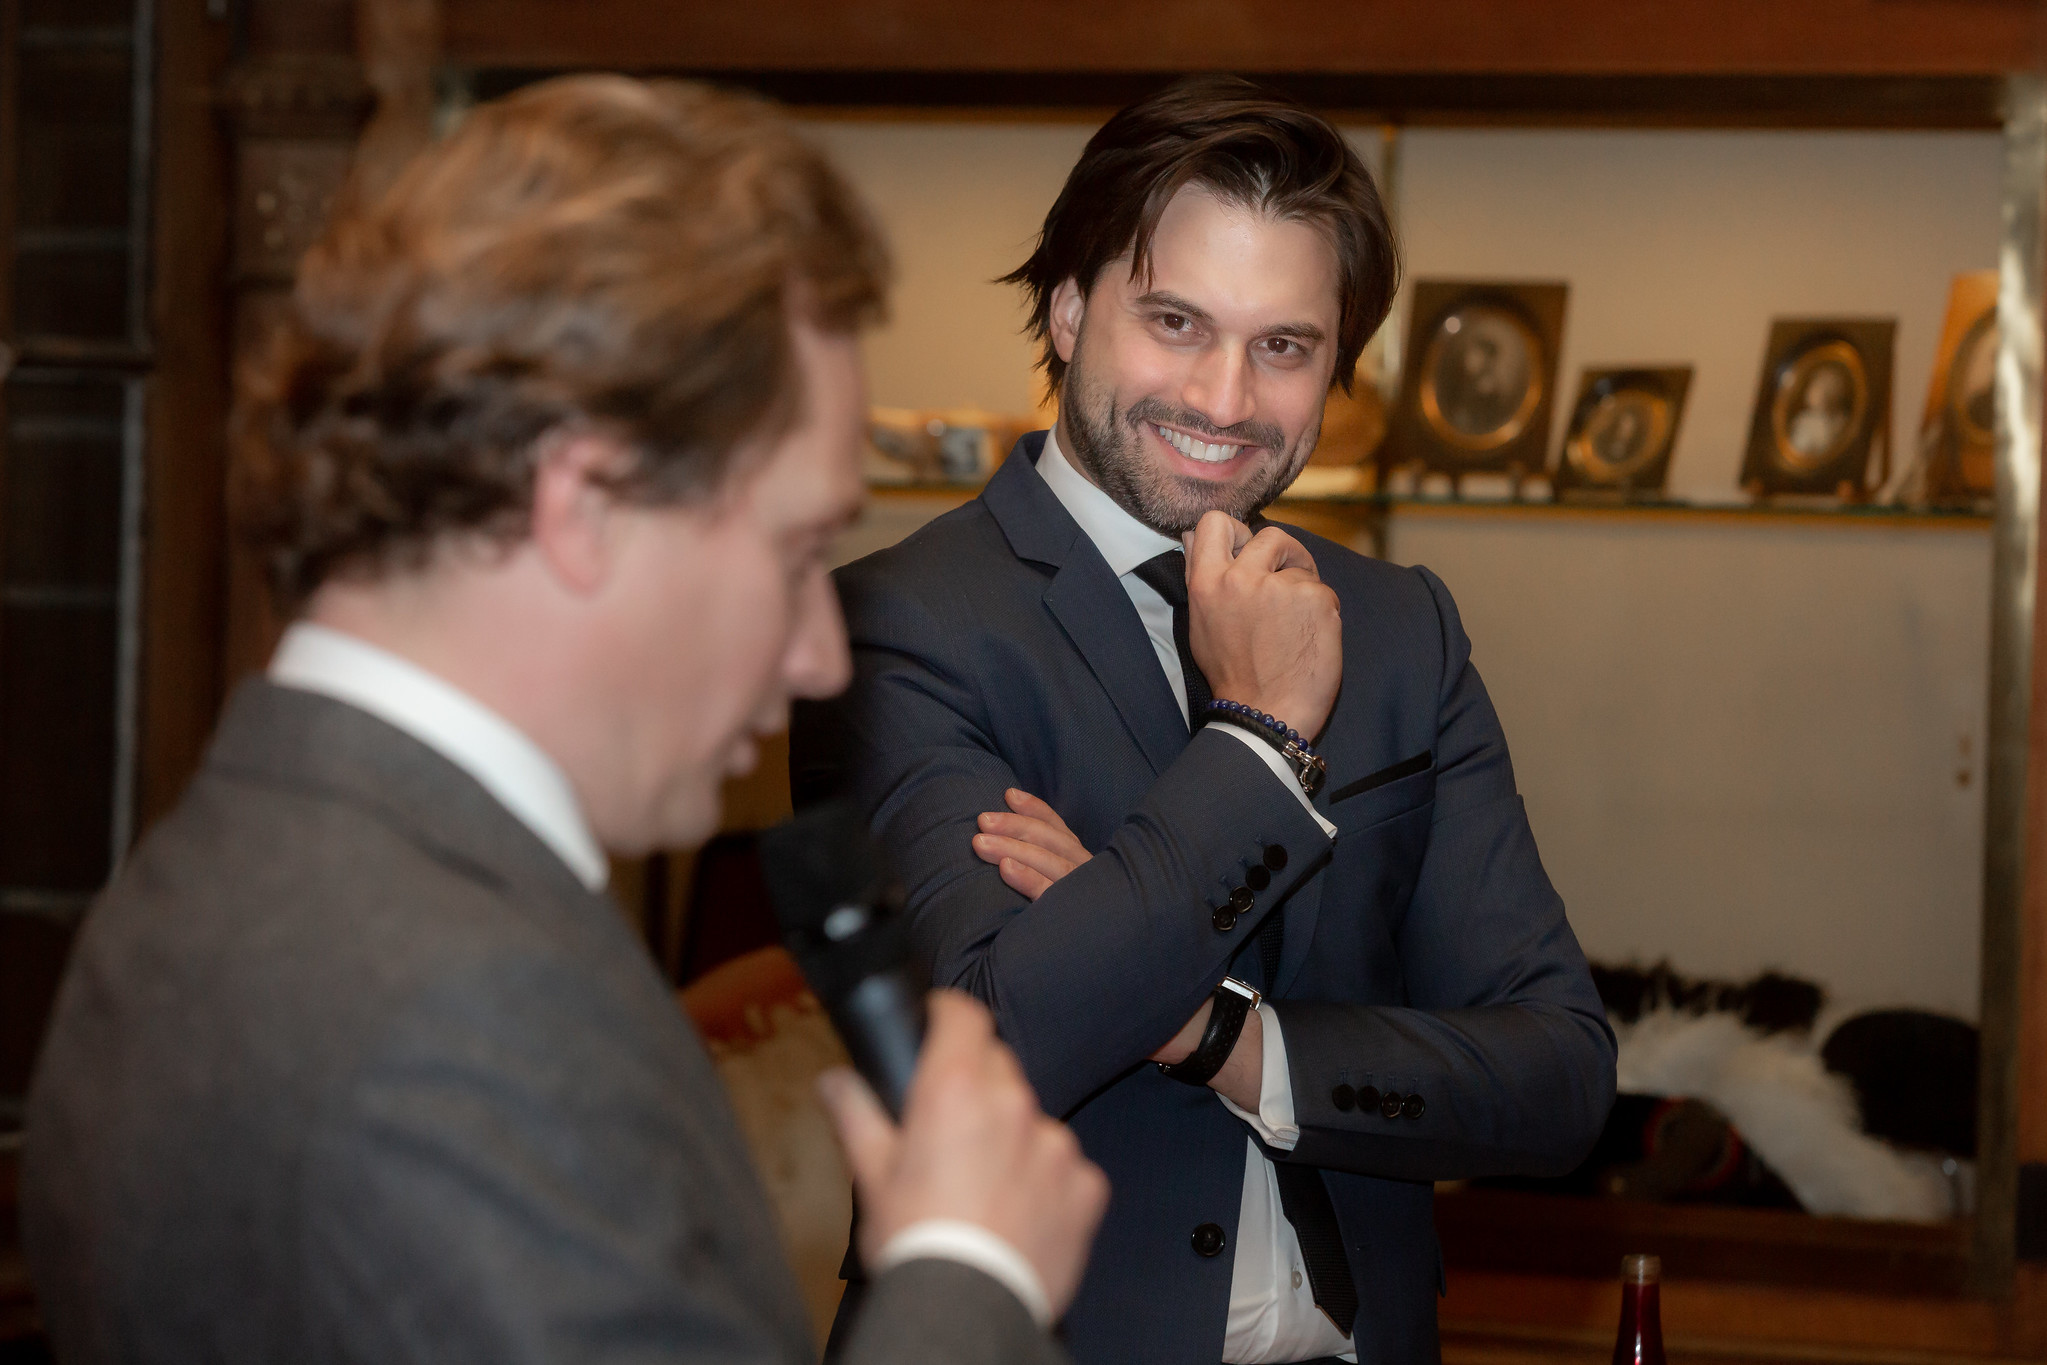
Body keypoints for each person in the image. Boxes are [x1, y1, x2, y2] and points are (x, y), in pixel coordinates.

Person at [22, 75, 1105, 1365]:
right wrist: (969, 1272)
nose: (820, 656)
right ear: (582, 507)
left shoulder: (238, 857)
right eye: (796, 547)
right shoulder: (458, 1015)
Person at [794, 76, 1616, 1365]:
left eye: (1284, 346)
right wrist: (1258, 737)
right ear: (1067, 311)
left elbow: (1559, 1078)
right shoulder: (895, 626)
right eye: (1176, 322)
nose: (1227, 402)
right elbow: (988, 1052)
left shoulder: (1400, 625)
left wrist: (1214, 1031)